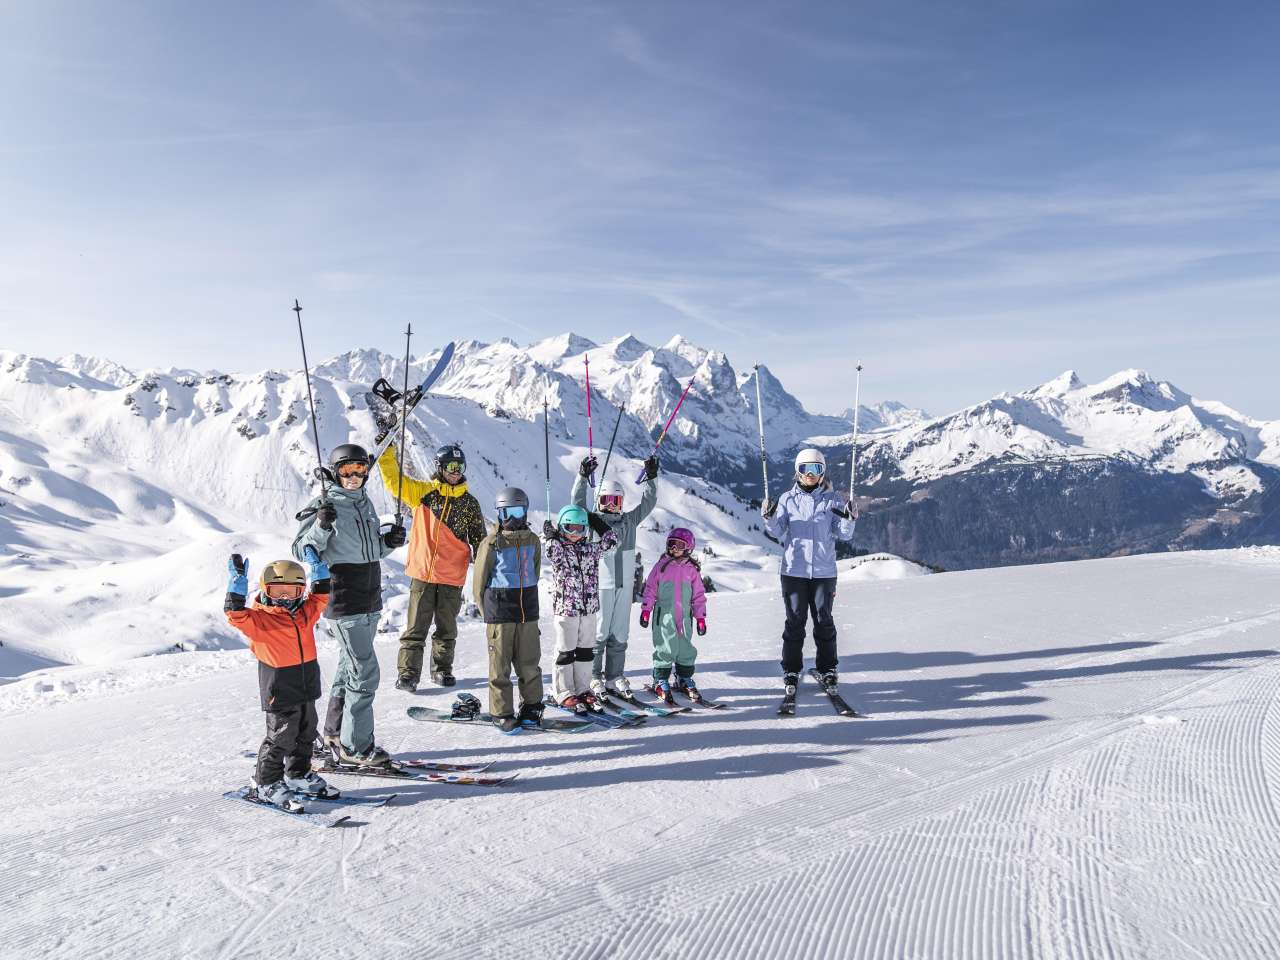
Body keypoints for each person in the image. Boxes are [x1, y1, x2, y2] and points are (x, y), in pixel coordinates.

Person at [293, 443, 406, 767]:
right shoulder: (324, 505)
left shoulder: (363, 503)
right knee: (364, 671)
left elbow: (366, 550)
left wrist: (388, 542)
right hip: (344, 598)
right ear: (335, 472)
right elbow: (302, 550)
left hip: (369, 596)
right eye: (347, 471)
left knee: (349, 666)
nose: (354, 476)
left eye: (360, 470)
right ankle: (356, 748)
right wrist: (322, 525)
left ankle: (334, 732)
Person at [224, 552, 333, 810]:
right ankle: (266, 782)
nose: (284, 598)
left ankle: (298, 774)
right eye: (278, 591)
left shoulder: (305, 613)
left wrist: (320, 572)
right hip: (279, 687)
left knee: (306, 732)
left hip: (306, 683)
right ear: (266, 590)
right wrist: (235, 588)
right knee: (281, 736)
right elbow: (235, 614)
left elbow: (319, 598)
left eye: (292, 591)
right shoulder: (259, 619)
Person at [376, 441, 487, 691]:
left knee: (446, 629)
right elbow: (395, 481)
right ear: (440, 467)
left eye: (459, 466)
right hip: (423, 573)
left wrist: (485, 570)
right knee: (416, 627)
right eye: (450, 466)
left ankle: (442, 670)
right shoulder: (423, 493)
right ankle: (408, 675)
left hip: (452, 576)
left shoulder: (469, 503)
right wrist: (387, 452)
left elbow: (480, 539)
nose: (455, 471)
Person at [761, 448, 857, 697]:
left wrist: (849, 519)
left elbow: (844, 534)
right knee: (795, 621)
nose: (811, 475)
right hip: (794, 570)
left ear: (823, 472)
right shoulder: (787, 500)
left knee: (824, 621)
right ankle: (791, 669)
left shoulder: (833, 500)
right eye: (805, 469)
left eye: (816, 469)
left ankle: (828, 668)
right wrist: (769, 518)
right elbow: (778, 531)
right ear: (797, 471)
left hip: (824, 571)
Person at [571, 454, 658, 699]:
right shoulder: (593, 522)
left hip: (624, 586)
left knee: (620, 633)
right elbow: (577, 504)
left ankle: (614, 675)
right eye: (607, 501)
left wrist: (651, 478)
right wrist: (582, 477)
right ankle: (594, 676)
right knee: (599, 633)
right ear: (599, 502)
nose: (612, 506)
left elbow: (648, 503)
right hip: (602, 586)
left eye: (616, 502)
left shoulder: (629, 522)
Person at [471, 487, 544, 733]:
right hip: (500, 611)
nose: (511, 518)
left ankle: (532, 707)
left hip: (527, 610)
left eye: (516, 511)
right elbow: (479, 582)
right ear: (499, 515)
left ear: (525, 511)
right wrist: (489, 612)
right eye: (505, 513)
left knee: (529, 663)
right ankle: (502, 712)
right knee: (500, 665)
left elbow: (535, 569)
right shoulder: (492, 543)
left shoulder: (532, 540)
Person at [542, 504, 619, 710]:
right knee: (565, 652)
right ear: (562, 528)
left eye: (580, 528)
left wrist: (597, 523)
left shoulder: (590, 549)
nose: (575, 534)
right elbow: (551, 551)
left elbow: (612, 542)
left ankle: (582, 689)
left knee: (585, 652)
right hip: (567, 610)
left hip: (589, 609)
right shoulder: (559, 549)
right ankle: (563, 692)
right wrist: (551, 536)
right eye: (570, 528)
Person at [639, 527, 707, 704]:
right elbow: (650, 589)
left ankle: (683, 678)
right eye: (671, 544)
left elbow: (699, 595)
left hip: (685, 617)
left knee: (685, 648)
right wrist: (646, 610)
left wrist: (700, 618)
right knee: (665, 647)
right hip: (664, 615)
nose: (674, 548)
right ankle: (660, 680)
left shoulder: (692, 569)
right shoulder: (661, 566)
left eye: (679, 545)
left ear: (688, 547)